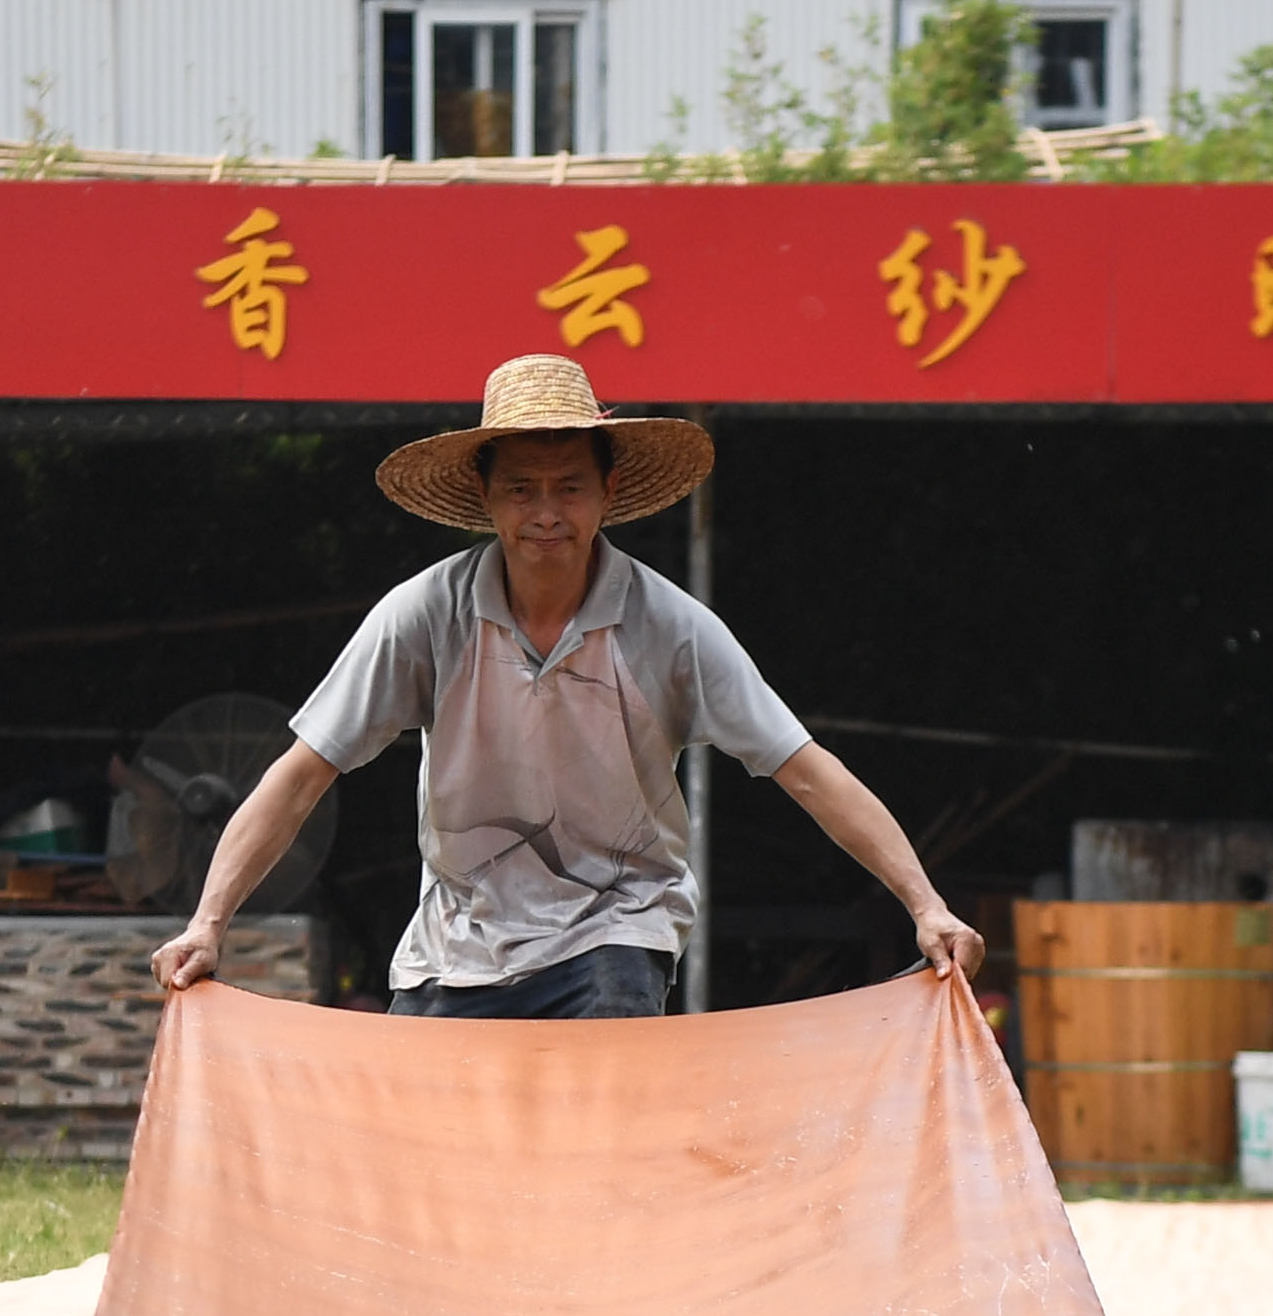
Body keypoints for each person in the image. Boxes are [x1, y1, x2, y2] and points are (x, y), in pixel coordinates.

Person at [152, 355, 985, 1017]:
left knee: (603, 1116)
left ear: (608, 493)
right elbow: (302, 774)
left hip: (617, 928)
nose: (545, 511)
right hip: (459, 939)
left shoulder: (672, 627)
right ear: (484, 498)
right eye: (520, 488)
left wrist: (926, 906)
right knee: (427, 1157)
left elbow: (803, 766)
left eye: (568, 486)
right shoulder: (423, 616)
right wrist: (207, 923)